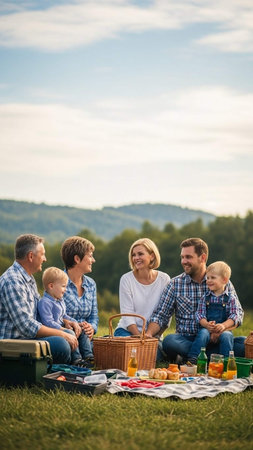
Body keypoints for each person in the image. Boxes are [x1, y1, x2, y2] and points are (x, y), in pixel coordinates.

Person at [146, 237, 246, 361]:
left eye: (188, 257)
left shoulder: (221, 281)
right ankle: (216, 357)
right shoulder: (175, 284)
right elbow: (161, 315)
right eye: (182, 257)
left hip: (218, 338)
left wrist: (222, 328)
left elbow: (238, 314)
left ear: (202, 258)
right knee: (170, 341)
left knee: (243, 343)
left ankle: (196, 357)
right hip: (187, 339)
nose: (183, 261)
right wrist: (149, 334)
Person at [0, 234, 78, 364]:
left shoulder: (28, 279)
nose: (45, 259)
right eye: (42, 254)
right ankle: (56, 370)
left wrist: (65, 322)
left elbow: (39, 311)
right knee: (61, 343)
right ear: (31, 256)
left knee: (70, 336)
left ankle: (65, 366)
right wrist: (62, 333)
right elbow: (26, 326)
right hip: (14, 346)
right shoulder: (12, 281)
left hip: (28, 341)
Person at [114, 238, 170, 359]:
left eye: (140, 254)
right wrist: (140, 338)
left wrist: (152, 337)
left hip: (153, 335)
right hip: (127, 332)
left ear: (152, 256)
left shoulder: (164, 279)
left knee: (152, 355)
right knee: (131, 354)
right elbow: (127, 315)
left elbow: (166, 314)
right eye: (133, 255)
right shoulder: (126, 279)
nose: (136, 258)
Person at [38, 267, 94, 367]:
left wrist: (75, 323)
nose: (65, 290)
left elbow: (64, 315)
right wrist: (62, 329)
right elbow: (48, 322)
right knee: (70, 332)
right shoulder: (45, 303)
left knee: (83, 329)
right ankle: (77, 359)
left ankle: (88, 356)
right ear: (51, 286)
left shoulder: (60, 300)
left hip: (62, 327)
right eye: (63, 286)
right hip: (53, 332)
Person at [187, 261, 241, 363]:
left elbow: (234, 316)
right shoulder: (205, 297)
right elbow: (199, 314)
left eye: (213, 278)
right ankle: (193, 358)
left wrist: (223, 326)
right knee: (203, 334)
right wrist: (206, 325)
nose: (208, 281)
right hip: (208, 329)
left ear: (224, 280)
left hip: (223, 330)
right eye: (207, 278)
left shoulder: (230, 298)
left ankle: (225, 362)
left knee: (228, 336)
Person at [61, 236, 99, 343]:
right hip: (66, 337)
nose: (93, 260)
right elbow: (49, 315)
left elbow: (94, 317)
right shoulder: (57, 282)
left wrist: (92, 328)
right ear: (77, 259)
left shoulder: (91, 284)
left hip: (86, 339)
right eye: (90, 256)